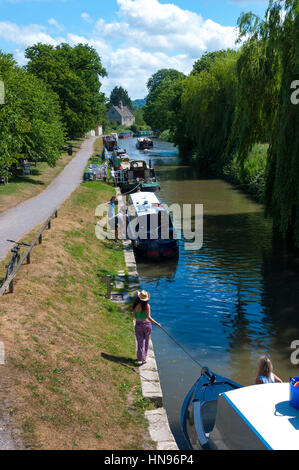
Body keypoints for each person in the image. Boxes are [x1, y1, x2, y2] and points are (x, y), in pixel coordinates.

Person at [132, 290, 162, 365]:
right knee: (146, 341)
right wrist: (157, 324)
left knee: (140, 342)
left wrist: (139, 317)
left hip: (138, 325)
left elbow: (134, 316)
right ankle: (144, 357)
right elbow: (148, 317)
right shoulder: (147, 306)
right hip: (147, 325)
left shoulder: (136, 305)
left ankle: (141, 358)